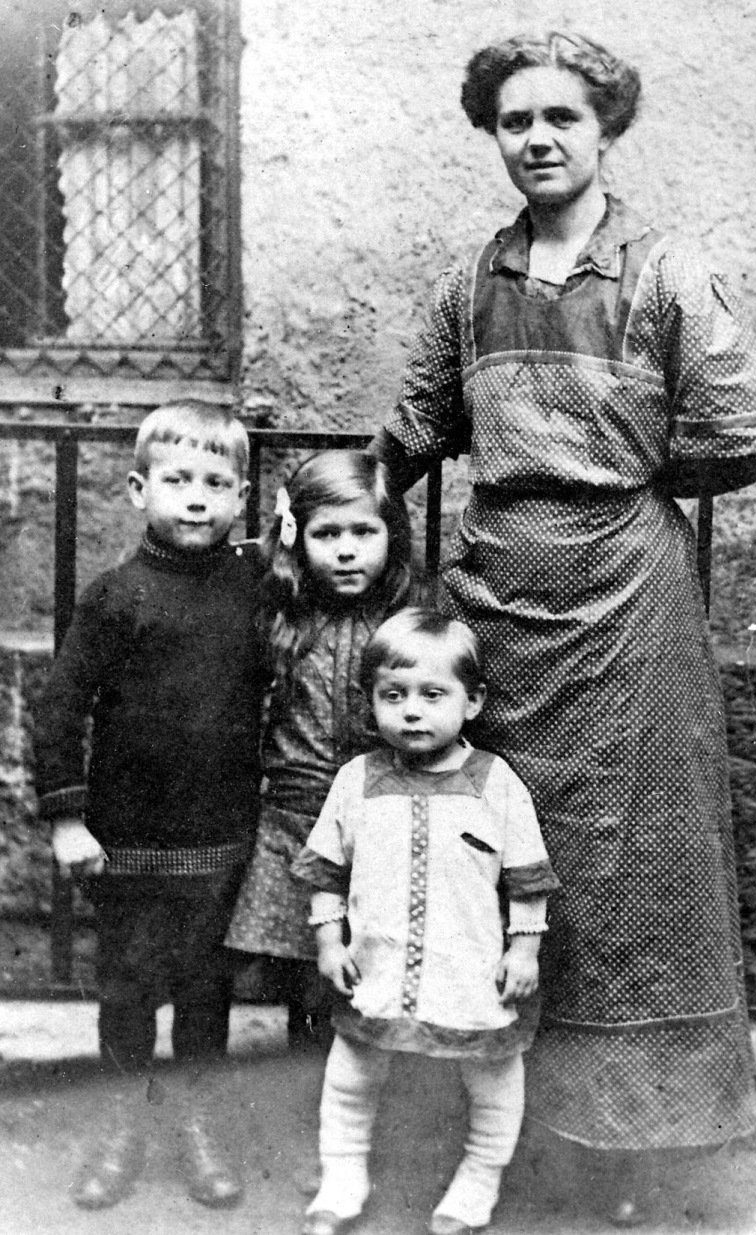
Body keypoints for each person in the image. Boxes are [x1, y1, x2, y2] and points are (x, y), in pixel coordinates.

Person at [369, 31, 756, 1225]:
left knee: (634, 867)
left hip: (628, 603)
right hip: (498, 594)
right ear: (491, 136)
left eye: (561, 118)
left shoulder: (661, 272)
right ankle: (500, 1136)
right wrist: (340, 505)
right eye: (514, 121)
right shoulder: (470, 282)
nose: (537, 139)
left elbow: (739, 430)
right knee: (502, 856)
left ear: (604, 131)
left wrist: (618, 483)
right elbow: (414, 422)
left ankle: (634, 1151)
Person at [33, 401, 263, 1210]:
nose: (195, 499)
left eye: (215, 483)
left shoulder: (253, 591)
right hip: (126, 838)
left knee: (206, 991)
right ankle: (120, 1125)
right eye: (177, 481)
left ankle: (199, 1123)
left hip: (219, 835)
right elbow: (58, 708)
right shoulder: (115, 597)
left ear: (240, 498)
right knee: (126, 990)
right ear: (139, 488)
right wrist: (66, 817)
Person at [291, 608, 560, 1235]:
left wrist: (523, 953)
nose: (412, 711)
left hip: (467, 970)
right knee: (352, 1072)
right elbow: (325, 871)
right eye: (394, 696)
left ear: (472, 702)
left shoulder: (495, 782)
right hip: (377, 968)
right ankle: (343, 1175)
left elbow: (527, 877)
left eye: (432, 695)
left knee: (492, 1075)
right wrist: (330, 942)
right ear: (373, 703)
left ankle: (478, 1179)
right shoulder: (356, 779)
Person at [226, 451, 413, 1048]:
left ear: (392, 535)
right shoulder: (283, 615)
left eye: (365, 531)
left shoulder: (407, 619)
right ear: (297, 537)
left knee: (372, 972)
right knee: (305, 979)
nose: (347, 549)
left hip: (380, 822)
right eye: (326, 534)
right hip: (295, 821)